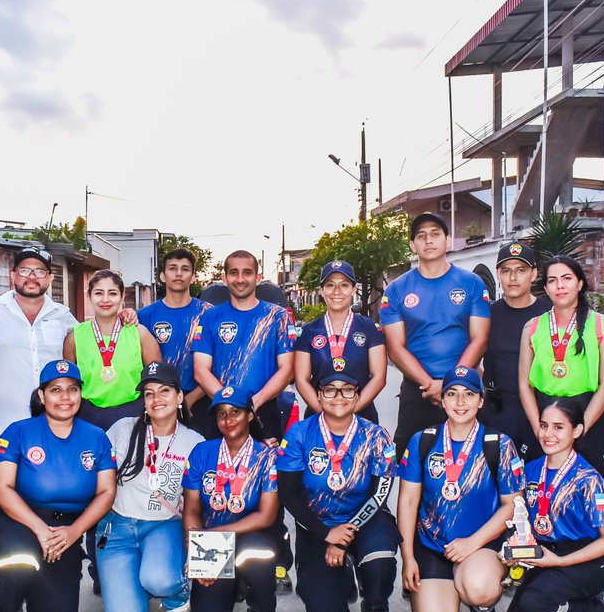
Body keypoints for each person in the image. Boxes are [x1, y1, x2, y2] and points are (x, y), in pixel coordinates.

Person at [0, 360, 117, 612]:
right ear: (42, 396)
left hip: (65, 528)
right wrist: (41, 531)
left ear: (81, 395)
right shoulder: (17, 432)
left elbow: (107, 492)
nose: (64, 397)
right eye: (55, 390)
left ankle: (32, 589)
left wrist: (72, 533)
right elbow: (2, 489)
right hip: (14, 516)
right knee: (19, 555)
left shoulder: (96, 437)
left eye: (72, 390)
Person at [192, 249, 295, 592]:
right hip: (220, 410)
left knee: (270, 489)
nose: (240, 279)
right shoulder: (209, 316)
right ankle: (219, 564)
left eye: (246, 272)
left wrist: (252, 404)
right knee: (220, 483)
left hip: (264, 409)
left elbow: (286, 368)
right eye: (233, 272)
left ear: (257, 276)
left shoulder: (278, 316)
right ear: (225, 278)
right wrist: (229, 404)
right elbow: (200, 369)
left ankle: (276, 566)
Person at [396, 366, 524, 612]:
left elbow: (513, 505)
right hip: (434, 544)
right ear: (441, 401)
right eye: (452, 394)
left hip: (480, 544)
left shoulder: (498, 444)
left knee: (478, 586)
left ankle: (483, 610)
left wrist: (472, 543)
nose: (460, 402)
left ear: (481, 400)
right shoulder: (423, 441)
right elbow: (407, 502)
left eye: (469, 394)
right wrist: (408, 558)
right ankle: (450, 586)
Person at [277, 369, 398, 612]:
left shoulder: (376, 436)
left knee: (379, 555)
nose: (338, 397)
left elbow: (380, 492)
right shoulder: (299, 433)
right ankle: (343, 577)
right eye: (330, 390)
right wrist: (326, 534)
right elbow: (288, 494)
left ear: (357, 396)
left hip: (366, 519)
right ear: (318, 396)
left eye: (347, 390)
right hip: (317, 525)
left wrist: (342, 538)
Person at [502, 398, 604, 612]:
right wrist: (515, 549)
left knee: (535, 602)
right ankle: (574, 609)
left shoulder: (588, 478)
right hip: (547, 555)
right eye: (544, 426)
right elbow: (525, 521)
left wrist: (559, 562)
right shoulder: (532, 470)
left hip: (588, 559)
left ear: (576, 431)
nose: (548, 434)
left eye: (558, 427)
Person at [98, 362, 203, 612]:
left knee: (159, 580)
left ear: (179, 397)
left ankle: (174, 586)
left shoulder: (195, 443)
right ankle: (137, 581)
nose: (156, 399)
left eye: (164, 391)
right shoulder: (123, 429)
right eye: (149, 393)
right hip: (117, 527)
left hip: (162, 524)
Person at [381, 212, 490, 461]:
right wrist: (430, 385)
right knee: (411, 464)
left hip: (466, 389)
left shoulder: (472, 283)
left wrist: (451, 384)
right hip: (418, 391)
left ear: (447, 240)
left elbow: (480, 338)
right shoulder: (397, 289)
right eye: (421, 236)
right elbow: (396, 348)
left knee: (472, 463)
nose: (428, 240)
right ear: (413, 245)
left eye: (435, 234)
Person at [182, 387, 280, 612]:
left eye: (235, 412)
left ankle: (261, 607)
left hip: (250, 536)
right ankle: (235, 582)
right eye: (222, 414)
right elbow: (191, 509)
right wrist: (198, 554)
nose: (228, 420)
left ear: (249, 415)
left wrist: (214, 534)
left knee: (258, 552)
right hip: (213, 544)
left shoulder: (266, 456)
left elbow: (267, 516)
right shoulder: (202, 452)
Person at [517, 255, 604, 483]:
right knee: (540, 489)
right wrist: (540, 429)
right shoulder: (532, 327)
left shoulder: (602, 325)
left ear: (580, 283)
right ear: (545, 288)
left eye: (566, 278)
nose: (559, 286)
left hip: (586, 416)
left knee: (589, 490)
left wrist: (580, 429)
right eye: (552, 280)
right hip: (543, 415)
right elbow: (524, 385)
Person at [0, 246, 78, 442]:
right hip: (3, 426)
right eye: (24, 270)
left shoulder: (62, 315)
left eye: (39, 271)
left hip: (52, 426)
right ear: (13, 275)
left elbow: (94, 339)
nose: (32, 276)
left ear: (50, 278)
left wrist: (123, 316)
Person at [63, 269, 161, 430]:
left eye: (113, 293)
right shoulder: (74, 337)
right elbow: (69, 382)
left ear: (122, 297)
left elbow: (157, 379)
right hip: (87, 416)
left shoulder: (140, 333)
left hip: (133, 414)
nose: (105, 299)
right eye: (99, 293)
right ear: (89, 296)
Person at [293, 260, 387, 424]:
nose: (337, 291)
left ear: (353, 289)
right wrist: (324, 411)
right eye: (330, 285)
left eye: (344, 285)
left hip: (362, 416)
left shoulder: (369, 328)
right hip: (318, 417)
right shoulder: (308, 331)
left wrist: (347, 412)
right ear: (321, 291)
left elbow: (379, 377)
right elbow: (301, 380)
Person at [480, 241, 550, 459]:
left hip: (540, 409)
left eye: (521, 270)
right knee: (496, 478)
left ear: (534, 274)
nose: (513, 277)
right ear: (498, 275)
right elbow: (471, 358)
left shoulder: (549, 314)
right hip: (497, 410)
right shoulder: (486, 315)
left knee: (537, 479)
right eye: (506, 271)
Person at [137, 248, 212, 431]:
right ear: (162, 276)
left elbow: (219, 364)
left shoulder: (210, 314)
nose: (179, 274)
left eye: (185, 269)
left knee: (199, 455)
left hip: (200, 400)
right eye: (173, 268)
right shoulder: (145, 316)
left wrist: (191, 399)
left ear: (193, 276)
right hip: (158, 402)